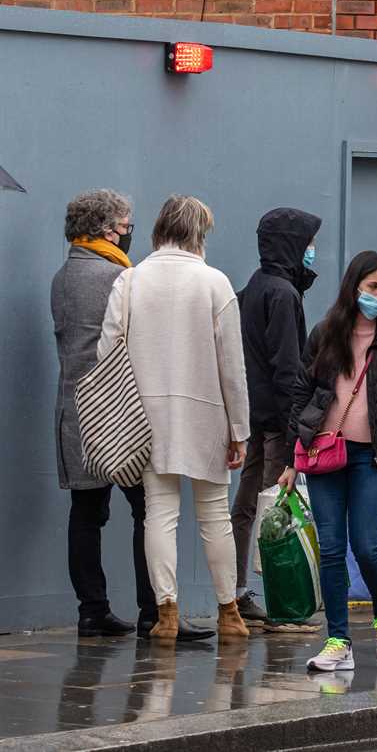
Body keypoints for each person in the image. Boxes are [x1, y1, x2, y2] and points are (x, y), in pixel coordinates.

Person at [96, 195, 251, 642]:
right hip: (205, 416)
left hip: (144, 417)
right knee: (214, 516)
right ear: (198, 234)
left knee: (159, 516)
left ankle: (165, 613)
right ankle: (229, 613)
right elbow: (232, 367)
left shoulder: (129, 280)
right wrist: (239, 429)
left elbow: (107, 353)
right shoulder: (215, 283)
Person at [281, 250, 377, 672]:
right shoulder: (326, 334)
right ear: (354, 288)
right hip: (323, 453)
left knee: (366, 545)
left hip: (371, 457)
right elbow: (301, 395)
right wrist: (291, 460)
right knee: (330, 548)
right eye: (372, 287)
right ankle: (338, 641)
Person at [51, 189, 169, 639]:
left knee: (86, 512)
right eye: (124, 224)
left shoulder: (62, 276)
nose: (127, 232)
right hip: (117, 409)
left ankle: (92, 610)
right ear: (106, 230)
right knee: (147, 508)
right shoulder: (119, 278)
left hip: (73, 410)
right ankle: (151, 611)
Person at [230, 207, 321, 628]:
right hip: (275, 423)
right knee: (276, 511)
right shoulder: (283, 294)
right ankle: (281, 602)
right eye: (308, 243)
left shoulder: (255, 286)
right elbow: (288, 368)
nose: (313, 251)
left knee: (248, 505)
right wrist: (295, 430)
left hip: (251, 415)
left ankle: (235, 592)